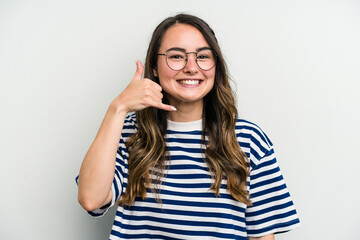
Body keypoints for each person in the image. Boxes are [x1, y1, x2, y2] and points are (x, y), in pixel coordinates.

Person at [76, 13, 300, 240]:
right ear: (154, 67)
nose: (192, 67)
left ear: (216, 65)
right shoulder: (129, 133)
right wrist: (118, 107)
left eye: (202, 56)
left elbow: (262, 235)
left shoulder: (248, 139)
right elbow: (91, 199)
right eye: (176, 56)